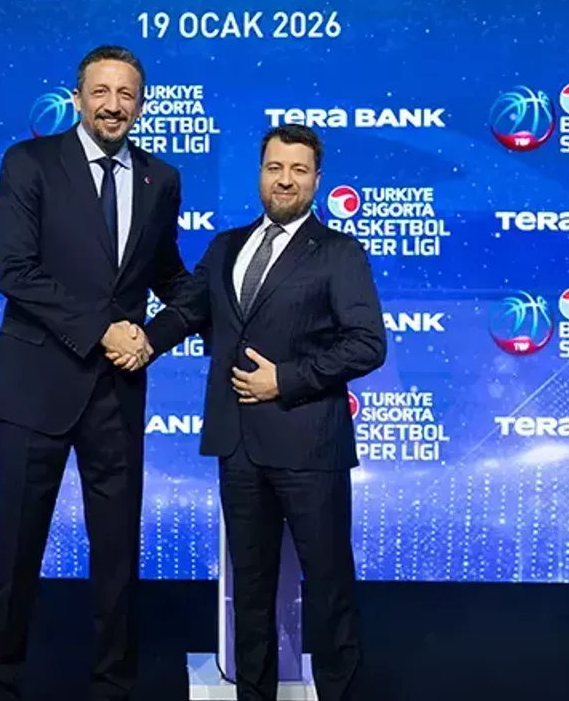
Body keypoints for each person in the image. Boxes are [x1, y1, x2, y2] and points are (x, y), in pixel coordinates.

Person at [124, 123, 387, 701]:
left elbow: (368, 344)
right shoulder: (227, 247)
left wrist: (283, 379)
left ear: (317, 180)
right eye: (275, 168)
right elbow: (187, 312)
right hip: (238, 446)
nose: (285, 180)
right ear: (261, 174)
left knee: (330, 588)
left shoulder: (339, 252)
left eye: (298, 170)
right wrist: (141, 343)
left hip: (310, 446)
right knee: (250, 589)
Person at [0, 44, 195, 701]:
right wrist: (104, 329)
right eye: (100, 91)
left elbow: (168, 276)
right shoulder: (29, 163)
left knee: (118, 550)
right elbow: (15, 272)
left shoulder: (161, 179)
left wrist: (160, 336)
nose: (112, 105)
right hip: (34, 387)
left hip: (116, 391)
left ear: (142, 104)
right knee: (16, 546)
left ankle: (113, 683)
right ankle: (0, 677)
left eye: (126, 94)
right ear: (77, 98)